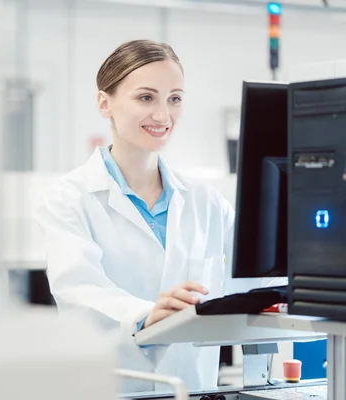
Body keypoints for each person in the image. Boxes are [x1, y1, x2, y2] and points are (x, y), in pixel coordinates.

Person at [35, 40, 272, 393]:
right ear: (105, 103)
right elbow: (79, 291)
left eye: (174, 98)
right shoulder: (70, 198)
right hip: (112, 387)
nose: (163, 115)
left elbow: (255, 280)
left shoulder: (206, 201)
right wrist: (146, 314)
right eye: (146, 98)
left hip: (194, 389)